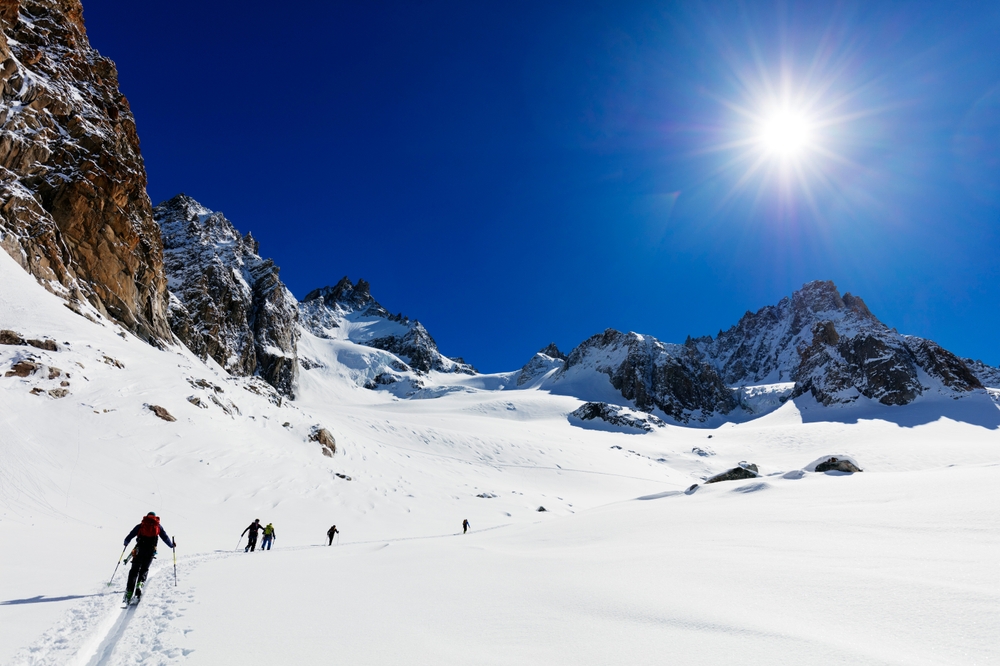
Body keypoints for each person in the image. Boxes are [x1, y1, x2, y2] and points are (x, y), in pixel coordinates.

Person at [122, 512, 174, 603]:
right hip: (150, 552)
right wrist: (171, 545)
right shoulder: (158, 526)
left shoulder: (141, 525)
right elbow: (165, 537)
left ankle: (129, 591)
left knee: (134, 570)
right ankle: (139, 588)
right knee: (144, 570)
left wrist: (126, 542)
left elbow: (131, 534)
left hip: (139, 550)